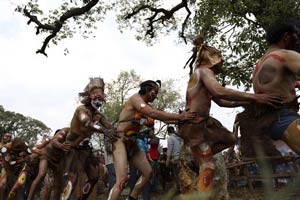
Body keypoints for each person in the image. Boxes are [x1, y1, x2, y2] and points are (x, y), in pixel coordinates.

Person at [178, 36, 282, 195]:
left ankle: (197, 157)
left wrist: (246, 103)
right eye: (221, 58)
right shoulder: (204, 71)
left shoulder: (201, 75)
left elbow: (220, 101)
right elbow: (218, 91)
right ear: (213, 59)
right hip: (194, 125)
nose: (223, 62)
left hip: (202, 124)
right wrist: (254, 97)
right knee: (208, 166)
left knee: (230, 139)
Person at [108, 80, 195, 200]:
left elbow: (165, 119)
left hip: (132, 143)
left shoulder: (148, 106)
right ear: (147, 90)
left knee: (148, 173)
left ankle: (132, 198)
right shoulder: (136, 99)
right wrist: (180, 116)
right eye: (155, 93)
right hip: (120, 140)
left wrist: (185, 119)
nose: (156, 96)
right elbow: (152, 113)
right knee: (122, 179)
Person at [61, 77, 116, 200]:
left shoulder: (98, 115)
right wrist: (104, 131)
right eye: (96, 97)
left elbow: (110, 127)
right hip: (72, 148)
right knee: (72, 179)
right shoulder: (81, 110)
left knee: (94, 175)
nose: (98, 101)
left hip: (85, 150)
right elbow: (86, 122)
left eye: (100, 98)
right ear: (90, 96)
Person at [250, 19, 300, 155]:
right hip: (285, 118)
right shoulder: (285, 55)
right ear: (286, 36)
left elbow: (272, 85)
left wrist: (295, 84)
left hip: (266, 123)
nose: (297, 41)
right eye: (296, 37)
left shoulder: (260, 64)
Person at [27, 128, 70, 200]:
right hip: (46, 156)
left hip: (56, 162)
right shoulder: (51, 139)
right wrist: (38, 151)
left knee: (57, 184)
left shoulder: (68, 142)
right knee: (41, 175)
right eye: (57, 134)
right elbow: (36, 148)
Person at [166, 126, 181, 193]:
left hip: (175, 159)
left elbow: (169, 150)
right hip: (181, 158)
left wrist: (167, 160)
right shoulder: (178, 138)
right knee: (181, 174)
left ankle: (179, 190)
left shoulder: (170, 138)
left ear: (168, 132)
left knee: (176, 175)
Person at [148, 128, 160, 193]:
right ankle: (150, 187)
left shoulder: (156, 139)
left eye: (151, 132)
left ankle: (153, 188)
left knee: (153, 174)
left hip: (154, 158)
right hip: (149, 158)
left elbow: (154, 142)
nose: (150, 134)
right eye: (149, 133)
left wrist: (148, 140)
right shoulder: (148, 139)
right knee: (149, 174)